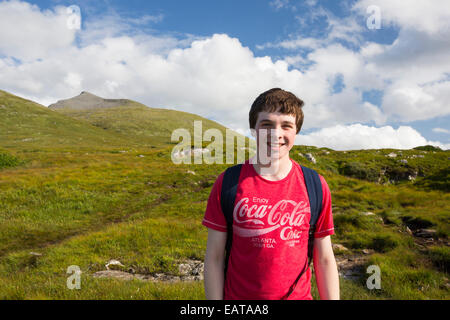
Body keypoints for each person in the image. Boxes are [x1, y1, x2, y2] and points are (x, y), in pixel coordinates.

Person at [202, 88, 339, 300]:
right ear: (254, 130)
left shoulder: (316, 185)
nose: (276, 133)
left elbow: (324, 260)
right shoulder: (228, 182)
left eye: (286, 126)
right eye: (267, 125)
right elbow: (215, 257)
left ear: (296, 132)